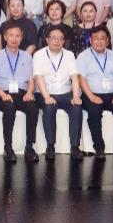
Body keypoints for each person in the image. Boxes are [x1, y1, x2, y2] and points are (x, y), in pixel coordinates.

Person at [75, 27, 113, 159]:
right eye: (96, 38)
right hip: (91, 93)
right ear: (90, 40)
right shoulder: (83, 56)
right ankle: (99, 148)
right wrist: (91, 96)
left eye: (102, 39)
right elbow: (81, 79)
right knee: (94, 112)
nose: (99, 42)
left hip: (112, 93)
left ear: (107, 41)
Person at [0, 24, 39, 163]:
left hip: (22, 93)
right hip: (1, 94)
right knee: (9, 108)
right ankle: (8, 147)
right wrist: (3, 95)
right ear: (5, 37)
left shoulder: (27, 57)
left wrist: (29, 93)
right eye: (11, 35)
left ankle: (29, 147)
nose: (14, 39)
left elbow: (31, 81)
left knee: (33, 108)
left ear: (21, 38)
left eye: (17, 36)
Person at [32, 25, 77, 160]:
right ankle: (50, 146)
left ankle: (75, 146)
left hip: (65, 92)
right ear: (47, 40)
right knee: (49, 107)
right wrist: (46, 96)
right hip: (45, 92)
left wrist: (76, 96)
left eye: (60, 39)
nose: (57, 41)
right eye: (54, 38)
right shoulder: (38, 54)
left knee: (77, 106)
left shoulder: (69, 55)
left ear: (64, 41)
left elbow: (74, 77)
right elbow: (38, 77)